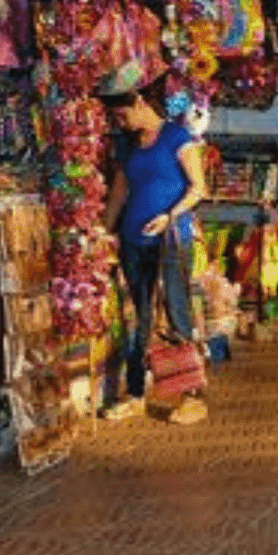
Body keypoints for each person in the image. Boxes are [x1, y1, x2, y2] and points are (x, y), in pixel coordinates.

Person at [98, 67, 209, 424]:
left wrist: (170, 215)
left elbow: (198, 188)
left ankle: (191, 396)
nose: (122, 122)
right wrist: (104, 232)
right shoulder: (129, 146)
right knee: (138, 316)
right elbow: (119, 192)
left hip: (171, 241)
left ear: (140, 102)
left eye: (123, 114)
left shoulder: (177, 137)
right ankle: (134, 391)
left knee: (175, 313)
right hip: (133, 242)